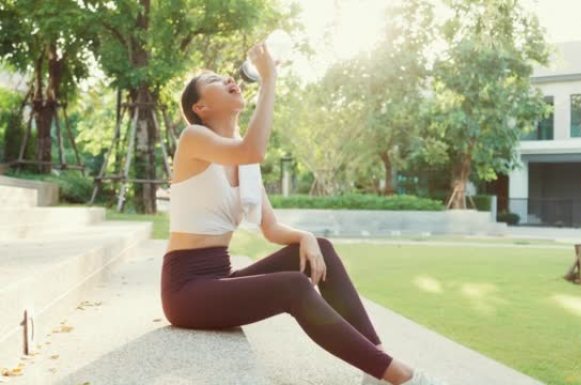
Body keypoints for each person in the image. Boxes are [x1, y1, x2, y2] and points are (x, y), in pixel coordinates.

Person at [161, 41, 447, 385]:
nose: (225, 77)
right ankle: (399, 376)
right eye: (212, 79)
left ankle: (377, 365)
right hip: (186, 290)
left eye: (223, 75)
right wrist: (269, 80)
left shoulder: (245, 165)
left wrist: (306, 237)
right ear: (200, 106)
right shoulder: (194, 139)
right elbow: (254, 148)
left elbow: (270, 228)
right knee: (294, 287)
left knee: (319, 249)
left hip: (220, 279)